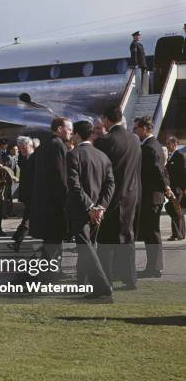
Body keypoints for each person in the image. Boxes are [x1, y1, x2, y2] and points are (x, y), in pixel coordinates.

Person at [66, 121, 115, 299]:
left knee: (86, 248)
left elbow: (75, 186)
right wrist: (101, 206)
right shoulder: (103, 156)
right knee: (87, 247)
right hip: (97, 211)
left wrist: (91, 207)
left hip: (81, 210)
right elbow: (110, 184)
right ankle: (85, 285)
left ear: (78, 135)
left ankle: (102, 285)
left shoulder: (73, 155)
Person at [96, 106, 141, 289]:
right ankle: (130, 279)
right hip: (131, 196)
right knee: (127, 238)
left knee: (105, 241)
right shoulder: (135, 139)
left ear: (106, 119)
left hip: (111, 197)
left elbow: (101, 175)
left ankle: (106, 280)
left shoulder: (105, 141)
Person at [29, 117, 73, 268]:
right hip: (55, 204)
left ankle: (49, 270)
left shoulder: (44, 145)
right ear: (59, 129)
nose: (71, 132)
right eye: (69, 129)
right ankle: (50, 272)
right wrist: (67, 200)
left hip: (44, 202)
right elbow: (61, 177)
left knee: (50, 242)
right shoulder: (57, 145)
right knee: (54, 241)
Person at [133, 116, 168, 278]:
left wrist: (165, 188)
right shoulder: (156, 145)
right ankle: (154, 267)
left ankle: (154, 268)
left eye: (137, 128)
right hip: (155, 195)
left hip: (151, 196)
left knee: (152, 233)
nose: (135, 131)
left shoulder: (149, 147)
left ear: (145, 128)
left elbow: (158, 172)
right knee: (152, 233)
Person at [8, 136, 35, 252]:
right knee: (28, 218)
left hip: (35, 194)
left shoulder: (36, 158)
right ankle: (17, 242)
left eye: (24, 148)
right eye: (20, 149)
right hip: (27, 194)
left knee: (28, 219)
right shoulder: (23, 158)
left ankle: (17, 241)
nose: (22, 151)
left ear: (30, 146)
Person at [165, 136, 185, 240]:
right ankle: (180, 234)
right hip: (172, 188)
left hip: (177, 189)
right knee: (177, 211)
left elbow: (183, 173)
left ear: (174, 144)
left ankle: (177, 234)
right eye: (167, 144)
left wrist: (183, 189)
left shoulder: (180, 156)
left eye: (169, 144)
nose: (167, 146)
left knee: (174, 209)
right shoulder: (170, 156)